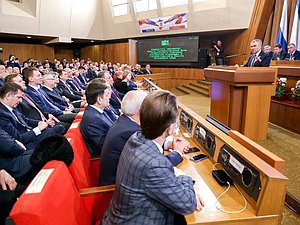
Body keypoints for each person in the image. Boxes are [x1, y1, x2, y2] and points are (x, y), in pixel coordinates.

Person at [102, 90, 204, 225]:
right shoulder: (154, 164)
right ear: (170, 128)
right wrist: (184, 177)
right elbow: (188, 204)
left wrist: (173, 173)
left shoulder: (135, 137)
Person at [100, 90, 189, 186]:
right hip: (112, 187)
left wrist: (169, 144)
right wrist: (177, 153)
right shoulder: (131, 132)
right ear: (141, 110)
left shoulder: (125, 122)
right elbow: (155, 166)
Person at [0, 83, 65, 150]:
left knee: (59, 128)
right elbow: (18, 138)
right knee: (58, 131)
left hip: (31, 134)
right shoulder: (2, 113)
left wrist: (39, 123)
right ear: (8, 96)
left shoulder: (11, 106)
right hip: (25, 143)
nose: (20, 101)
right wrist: (38, 129)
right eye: (18, 97)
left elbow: (25, 119)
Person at [80, 78, 115, 157]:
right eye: (107, 95)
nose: (109, 97)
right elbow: (106, 146)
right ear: (99, 99)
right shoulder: (93, 120)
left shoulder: (99, 110)